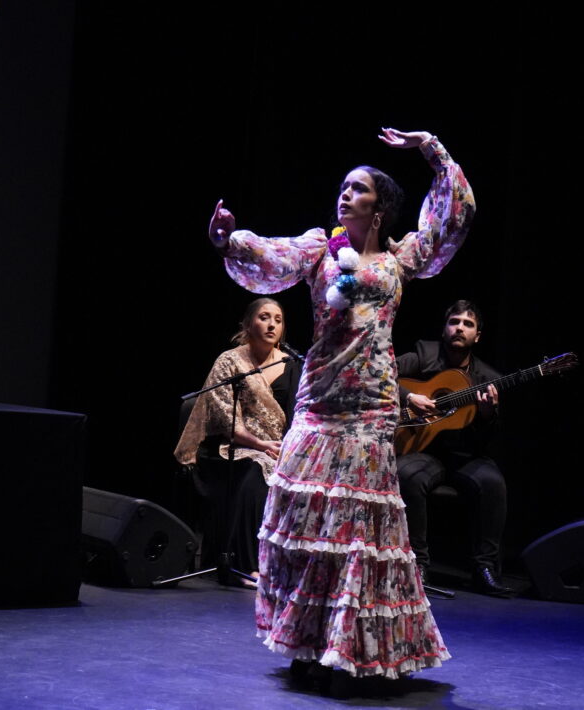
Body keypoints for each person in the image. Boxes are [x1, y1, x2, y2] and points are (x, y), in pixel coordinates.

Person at [207, 128, 475, 680]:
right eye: (343, 188)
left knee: (356, 536)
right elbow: (271, 256)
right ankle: (308, 642)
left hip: (371, 410)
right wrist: (230, 241)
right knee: (309, 526)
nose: (345, 195)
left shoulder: (402, 258)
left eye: (358, 189)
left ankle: (350, 650)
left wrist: (432, 148)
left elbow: (453, 220)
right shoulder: (319, 250)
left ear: (381, 207)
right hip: (320, 405)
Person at [174, 298, 301, 584]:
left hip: (277, 447)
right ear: (247, 324)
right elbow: (225, 419)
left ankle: (288, 564)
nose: (272, 325)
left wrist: (286, 448)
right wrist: (262, 445)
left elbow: (296, 414)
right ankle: (242, 565)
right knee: (255, 474)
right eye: (264, 317)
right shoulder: (230, 361)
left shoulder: (290, 365)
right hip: (229, 446)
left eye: (278, 320)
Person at [396, 300, 513, 597]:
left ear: (478, 336)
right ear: (444, 329)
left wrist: (487, 416)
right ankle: (417, 565)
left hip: (465, 456)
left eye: (468, 324)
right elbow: (380, 374)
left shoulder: (488, 379)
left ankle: (485, 568)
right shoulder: (423, 354)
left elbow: (491, 440)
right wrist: (409, 396)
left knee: (493, 483)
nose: (460, 328)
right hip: (423, 451)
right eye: (454, 321)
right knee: (407, 476)